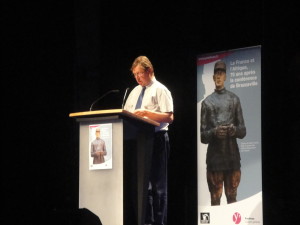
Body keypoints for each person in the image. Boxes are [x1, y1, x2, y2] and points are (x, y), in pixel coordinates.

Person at [124, 56, 174, 225]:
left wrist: (146, 114)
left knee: (158, 186)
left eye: (140, 73)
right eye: (135, 74)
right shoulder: (134, 92)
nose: (137, 78)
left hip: (157, 139)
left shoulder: (161, 90)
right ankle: (145, 221)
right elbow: (126, 115)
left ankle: (159, 221)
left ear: (150, 71)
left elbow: (169, 117)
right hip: (137, 141)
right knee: (143, 186)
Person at [200, 61, 246, 206]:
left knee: (232, 199)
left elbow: (243, 130)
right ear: (213, 77)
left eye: (221, 74)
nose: (219, 77)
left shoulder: (234, 99)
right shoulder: (207, 103)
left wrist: (234, 130)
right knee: (215, 199)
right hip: (215, 159)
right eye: (216, 74)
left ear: (225, 76)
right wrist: (214, 132)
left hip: (232, 157)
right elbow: (203, 136)